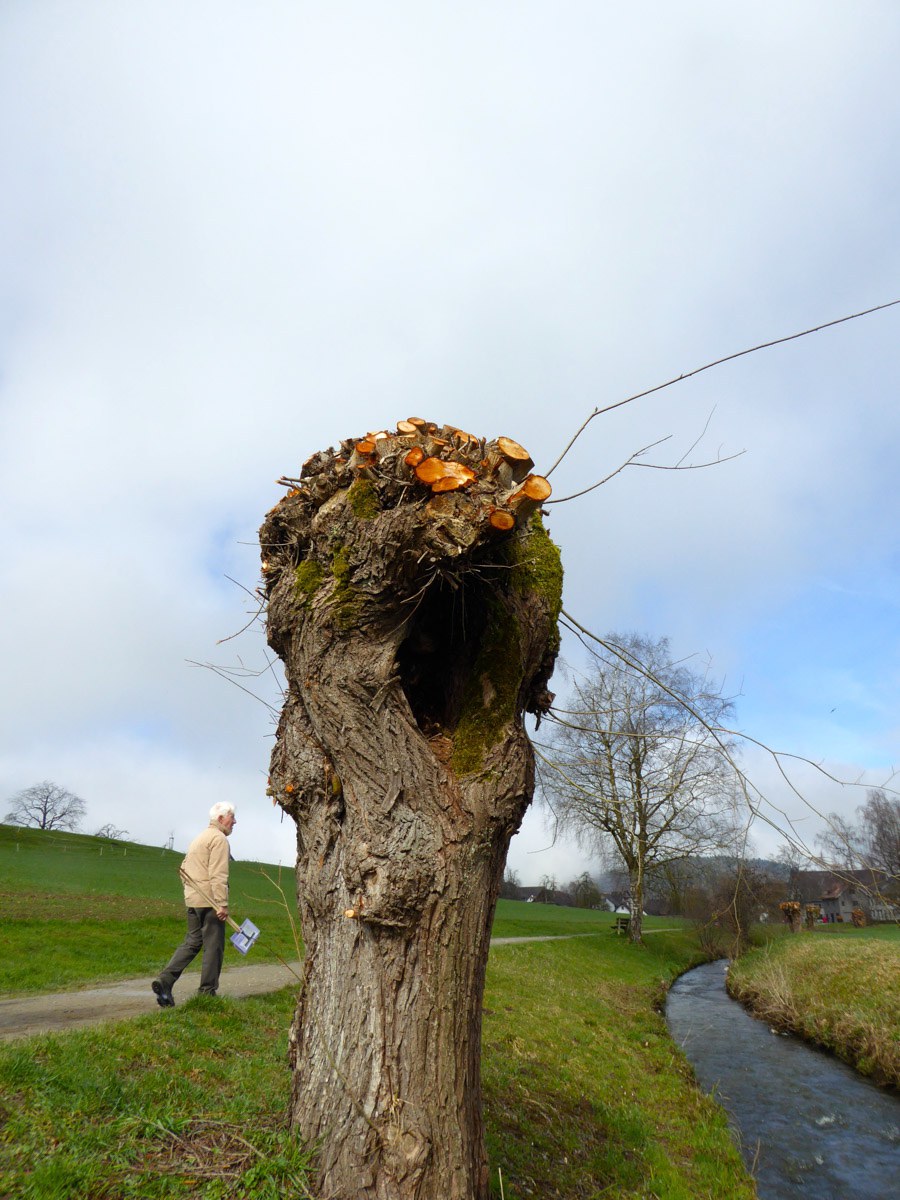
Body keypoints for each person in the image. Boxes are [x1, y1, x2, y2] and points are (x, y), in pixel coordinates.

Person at [151, 802, 237, 1007]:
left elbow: (183, 869)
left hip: (193, 900)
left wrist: (191, 894)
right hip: (210, 903)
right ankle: (207, 993)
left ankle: (165, 981)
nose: (235, 821)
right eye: (232, 817)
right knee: (213, 947)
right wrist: (222, 904)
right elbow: (218, 874)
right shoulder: (219, 839)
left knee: (192, 943)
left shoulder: (199, 838)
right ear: (220, 819)